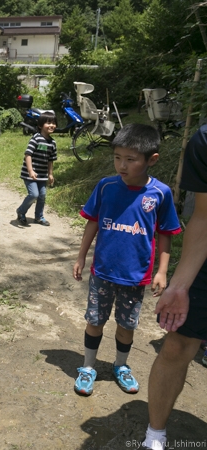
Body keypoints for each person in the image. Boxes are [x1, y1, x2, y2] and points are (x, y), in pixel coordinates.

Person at [72, 123, 181, 397]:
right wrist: (81, 256)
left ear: (151, 160)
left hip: (136, 276)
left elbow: (166, 234)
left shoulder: (160, 193)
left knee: (126, 325)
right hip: (103, 271)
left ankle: (120, 366)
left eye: (130, 160)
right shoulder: (106, 186)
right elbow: (92, 222)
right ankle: (87, 367)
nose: (122, 165)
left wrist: (162, 271)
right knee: (95, 320)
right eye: (117, 157)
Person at [141, 125, 207, 450]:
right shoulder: (205, 142)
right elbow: (205, 217)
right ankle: (155, 435)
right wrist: (178, 285)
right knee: (177, 346)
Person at [16, 111, 57, 226]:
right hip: (30, 174)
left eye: (53, 123)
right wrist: (30, 170)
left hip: (42, 175)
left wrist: (50, 174)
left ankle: (39, 216)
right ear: (40, 125)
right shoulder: (35, 139)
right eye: (48, 123)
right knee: (34, 194)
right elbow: (28, 154)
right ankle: (21, 211)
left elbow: (51, 160)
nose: (51, 125)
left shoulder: (52, 143)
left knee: (42, 195)